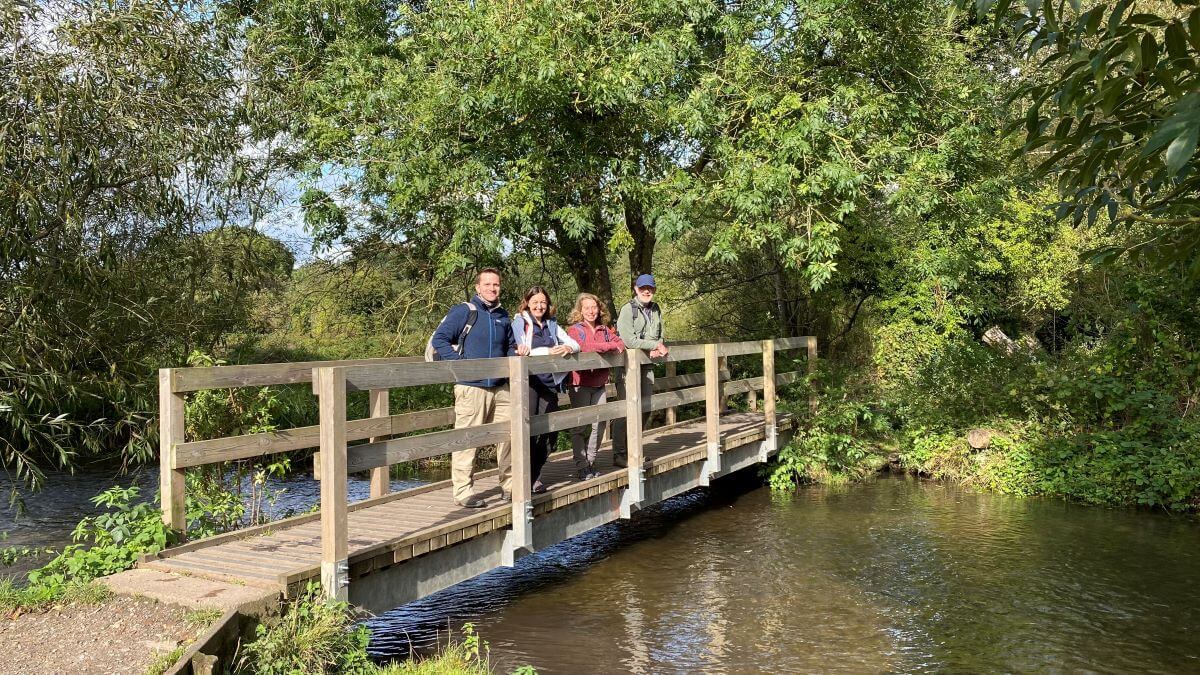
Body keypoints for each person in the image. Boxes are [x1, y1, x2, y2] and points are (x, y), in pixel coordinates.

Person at [431, 268, 529, 508]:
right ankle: (463, 492)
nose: (492, 288)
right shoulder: (465, 311)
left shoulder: (503, 315)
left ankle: (509, 486)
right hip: (471, 387)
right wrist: (460, 366)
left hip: (500, 386)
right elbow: (440, 339)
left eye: (496, 284)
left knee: (508, 438)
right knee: (467, 439)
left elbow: (507, 346)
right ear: (478, 287)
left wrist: (515, 354)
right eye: (487, 284)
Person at [511, 286, 580, 494]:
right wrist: (549, 351)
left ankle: (535, 473)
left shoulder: (552, 324)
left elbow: (575, 344)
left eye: (543, 302)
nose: (539, 306)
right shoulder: (520, 323)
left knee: (550, 432)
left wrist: (567, 348)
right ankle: (529, 479)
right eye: (535, 302)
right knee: (529, 432)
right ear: (527, 303)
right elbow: (523, 350)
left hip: (549, 384)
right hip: (530, 383)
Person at [565, 293, 625, 480]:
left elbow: (620, 343)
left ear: (599, 309)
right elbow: (585, 346)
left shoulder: (605, 329)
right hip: (580, 383)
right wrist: (608, 346)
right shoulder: (575, 330)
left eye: (594, 307)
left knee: (600, 423)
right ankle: (581, 465)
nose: (591, 311)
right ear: (580, 311)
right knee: (580, 427)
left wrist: (611, 344)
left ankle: (590, 461)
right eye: (586, 308)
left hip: (599, 382)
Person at [611, 273, 668, 468]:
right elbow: (629, 340)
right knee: (626, 409)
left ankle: (634, 450)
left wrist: (656, 345)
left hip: (647, 367)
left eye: (650, 288)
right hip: (628, 368)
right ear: (636, 289)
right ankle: (620, 454)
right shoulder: (628, 310)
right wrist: (653, 346)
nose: (646, 291)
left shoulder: (656, 309)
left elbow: (661, 334)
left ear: (654, 290)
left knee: (644, 408)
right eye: (643, 288)